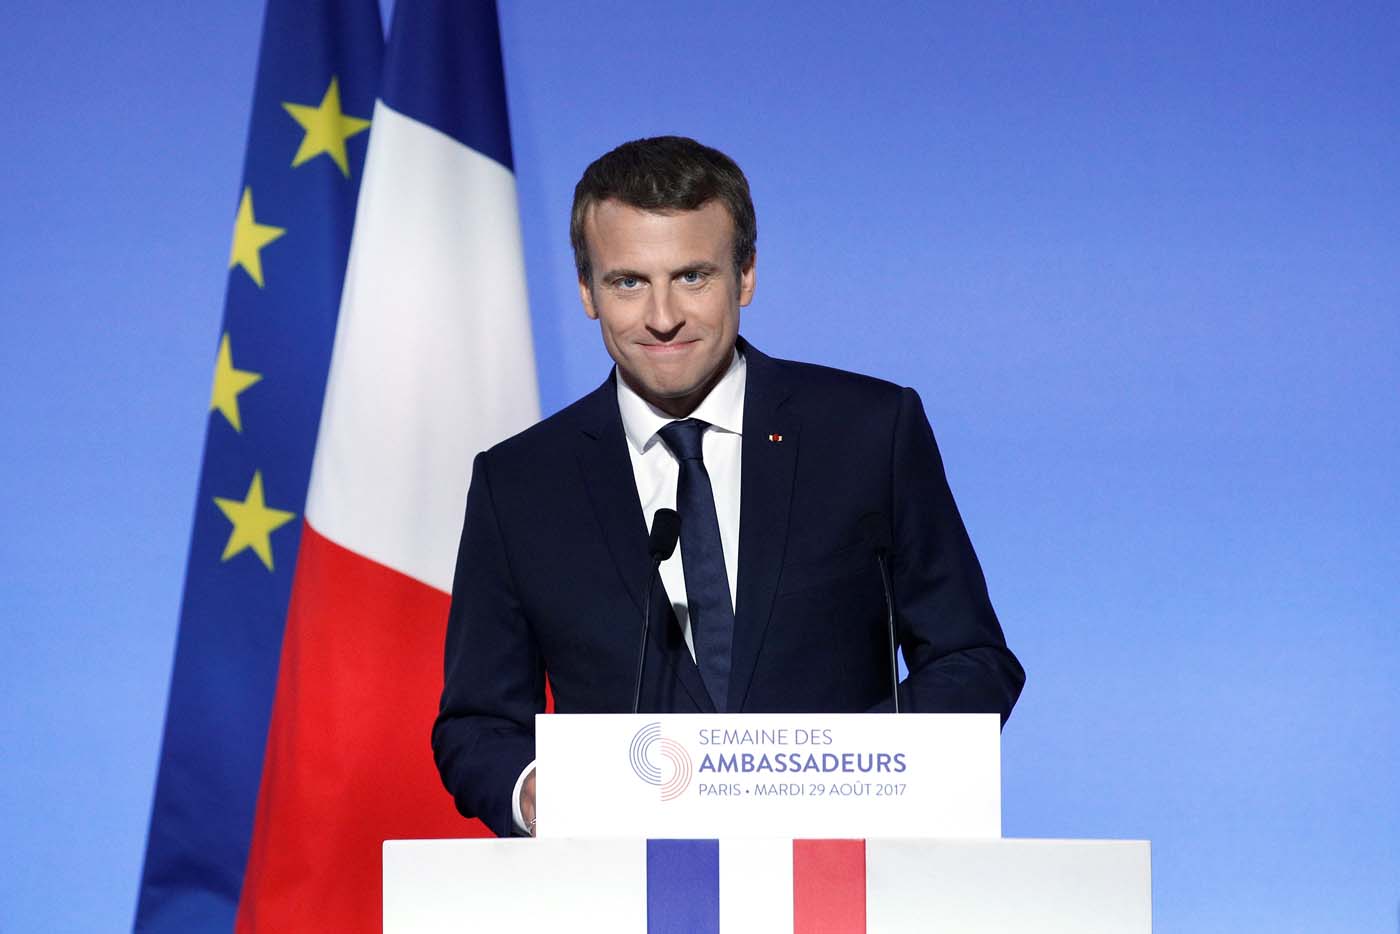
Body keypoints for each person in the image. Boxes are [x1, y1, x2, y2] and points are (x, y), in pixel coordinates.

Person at [432, 136, 1024, 838]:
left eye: (692, 276)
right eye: (628, 281)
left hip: (839, 874)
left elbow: (972, 660)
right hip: (624, 883)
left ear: (744, 275)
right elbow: (478, 724)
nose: (661, 316)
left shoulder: (867, 432)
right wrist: (535, 792)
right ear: (587, 291)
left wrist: (862, 769)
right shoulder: (520, 482)